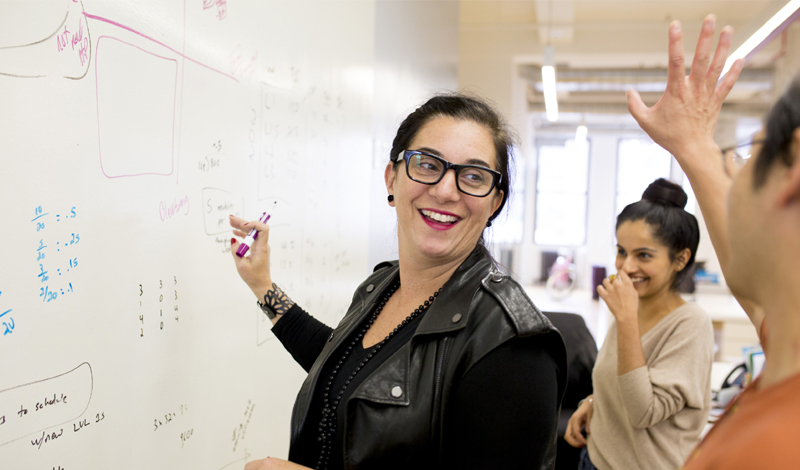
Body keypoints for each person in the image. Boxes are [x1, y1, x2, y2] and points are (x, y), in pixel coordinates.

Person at [230, 94, 567, 470]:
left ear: (494, 203)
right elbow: (346, 367)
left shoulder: (515, 346)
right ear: (392, 178)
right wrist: (263, 286)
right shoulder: (382, 284)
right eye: (428, 164)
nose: (445, 191)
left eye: (473, 176)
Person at [625, 13, 800, 469]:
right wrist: (694, 145)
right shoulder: (788, 346)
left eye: (746, 154)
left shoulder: (775, 449)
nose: (730, 173)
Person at [565, 178, 714, 470]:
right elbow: (622, 378)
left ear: (681, 259)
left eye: (644, 255)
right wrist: (594, 402)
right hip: (594, 458)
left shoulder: (690, 324)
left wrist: (626, 320)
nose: (626, 266)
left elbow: (643, 411)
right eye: (622, 251)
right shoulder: (631, 305)